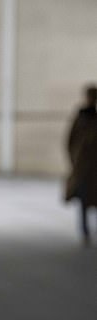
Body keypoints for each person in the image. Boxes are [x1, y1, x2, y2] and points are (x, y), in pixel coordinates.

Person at [65, 84, 97, 245]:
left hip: (93, 167)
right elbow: (71, 140)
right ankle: (84, 231)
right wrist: (75, 160)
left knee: (91, 198)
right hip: (84, 166)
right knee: (84, 200)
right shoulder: (82, 116)